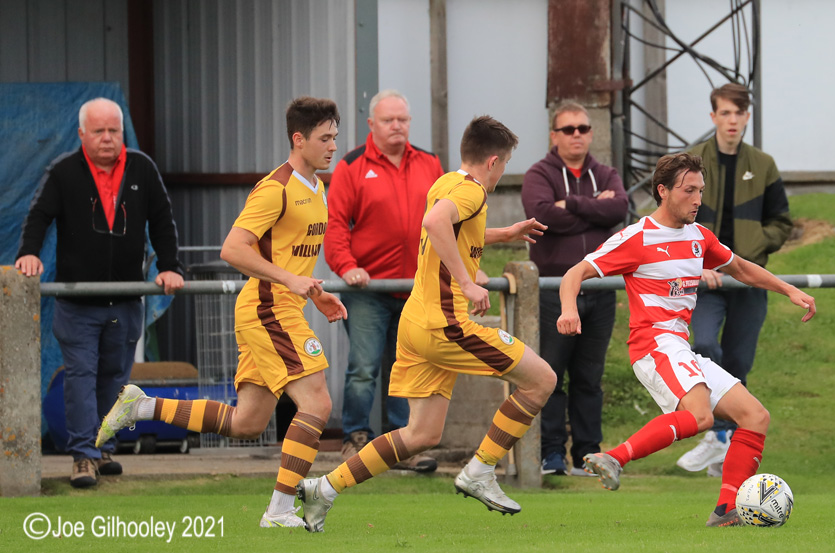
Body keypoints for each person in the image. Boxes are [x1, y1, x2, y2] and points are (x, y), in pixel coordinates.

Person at [96, 97, 348, 528]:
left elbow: (291, 258)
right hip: (268, 309)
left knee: (247, 422)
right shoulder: (276, 188)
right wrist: (289, 282)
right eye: (325, 139)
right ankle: (280, 510)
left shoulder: (317, 188)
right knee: (318, 403)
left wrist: (312, 293)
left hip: (278, 307)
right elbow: (232, 249)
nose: (332, 147)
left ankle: (142, 407)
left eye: (335, 138)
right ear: (298, 139)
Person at [295, 115, 556, 533]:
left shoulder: (447, 181)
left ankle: (322, 489)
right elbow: (435, 225)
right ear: (493, 162)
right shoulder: (471, 189)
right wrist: (469, 283)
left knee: (420, 434)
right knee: (541, 380)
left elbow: (451, 227)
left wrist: (504, 232)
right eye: (505, 164)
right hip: (446, 324)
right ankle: (480, 471)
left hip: (417, 324)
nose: (502, 171)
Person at [557, 153, 815, 527]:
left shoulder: (699, 237)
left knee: (755, 417)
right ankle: (614, 457)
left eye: (700, 191)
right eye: (688, 190)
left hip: (679, 346)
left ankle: (727, 509)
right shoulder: (638, 237)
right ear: (663, 191)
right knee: (699, 416)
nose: (697, 199)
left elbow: (741, 268)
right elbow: (574, 273)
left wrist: (788, 289)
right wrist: (569, 309)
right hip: (653, 345)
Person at [15, 97, 184, 488]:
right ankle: (83, 457)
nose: (108, 139)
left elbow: (162, 221)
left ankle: (103, 447)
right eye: (99, 131)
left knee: (115, 379)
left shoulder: (142, 167)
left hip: (125, 301)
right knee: (80, 376)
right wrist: (28, 255)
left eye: (114, 131)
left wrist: (171, 266)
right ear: (81, 134)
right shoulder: (62, 172)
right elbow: (38, 216)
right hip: (78, 302)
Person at [324, 90, 443, 472]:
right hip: (367, 291)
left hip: (417, 290)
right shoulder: (352, 166)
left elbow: (450, 222)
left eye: (403, 120)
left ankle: (405, 445)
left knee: (408, 369)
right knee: (363, 367)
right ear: (371, 124)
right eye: (389, 120)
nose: (397, 126)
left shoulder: (429, 163)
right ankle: (355, 439)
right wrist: (347, 267)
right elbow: (336, 225)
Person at [677, 83, 792, 476]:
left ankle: (725, 442)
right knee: (705, 344)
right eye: (724, 113)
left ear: (746, 118)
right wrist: (697, 264)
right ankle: (717, 434)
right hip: (703, 282)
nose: (731, 121)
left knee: (740, 360)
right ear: (713, 117)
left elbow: (782, 222)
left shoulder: (763, 164)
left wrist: (756, 247)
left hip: (747, 281)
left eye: (738, 114)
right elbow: (673, 218)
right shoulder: (694, 164)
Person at [521, 101, 628, 476]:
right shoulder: (539, 173)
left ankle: (588, 453)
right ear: (554, 135)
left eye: (583, 128)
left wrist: (573, 205)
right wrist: (593, 211)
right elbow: (543, 216)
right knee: (551, 375)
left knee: (589, 377)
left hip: (600, 291)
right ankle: (552, 454)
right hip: (553, 292)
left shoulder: (606, 173)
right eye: (568, 129)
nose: (577, 135)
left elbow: (620, 211)